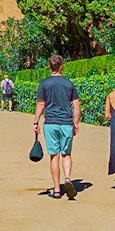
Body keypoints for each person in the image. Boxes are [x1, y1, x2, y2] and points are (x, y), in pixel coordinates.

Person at [33, 55, 80, 200]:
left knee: (55, 156)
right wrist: (76, 123)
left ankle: (57, 190)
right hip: (66, 123)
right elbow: (77, 107)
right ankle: (67, 178)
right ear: (62, 67)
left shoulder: (44, 83)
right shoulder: (69, 84)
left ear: (50, 67)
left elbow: (41, 104)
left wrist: (35, 122)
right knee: (66, 154)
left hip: (51, 123)